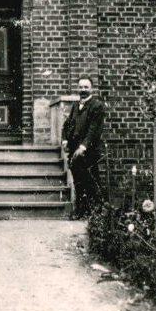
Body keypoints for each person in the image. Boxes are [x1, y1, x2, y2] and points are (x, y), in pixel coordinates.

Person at [62, 77, 105, 218]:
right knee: (78, 183)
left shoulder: (96, 106)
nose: (83, 90)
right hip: (75, 152)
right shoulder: (75, 106)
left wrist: (83, 147)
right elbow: (67, 125)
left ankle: (97, 213)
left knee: (91, 182)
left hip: (88, 152)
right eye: (81, 87)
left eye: (86, 87)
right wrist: (65, 140)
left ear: (91, 88)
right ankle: (81, 212)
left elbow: (93, 130)